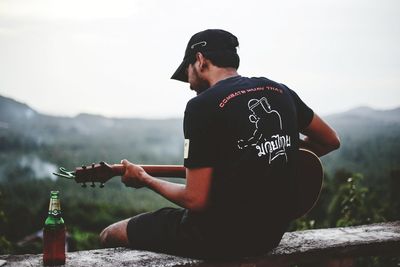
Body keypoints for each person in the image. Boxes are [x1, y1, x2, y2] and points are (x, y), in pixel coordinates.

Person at [99, 29, 340, 259]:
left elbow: (195, 199)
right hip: (270, 235)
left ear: (200, 60)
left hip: (218, 238)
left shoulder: (201, 106)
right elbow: (330, 140)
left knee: (110, 234)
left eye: (187, 73)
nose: (189, 84)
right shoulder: (279, 90)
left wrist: (144, 179)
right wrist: (279, 154)